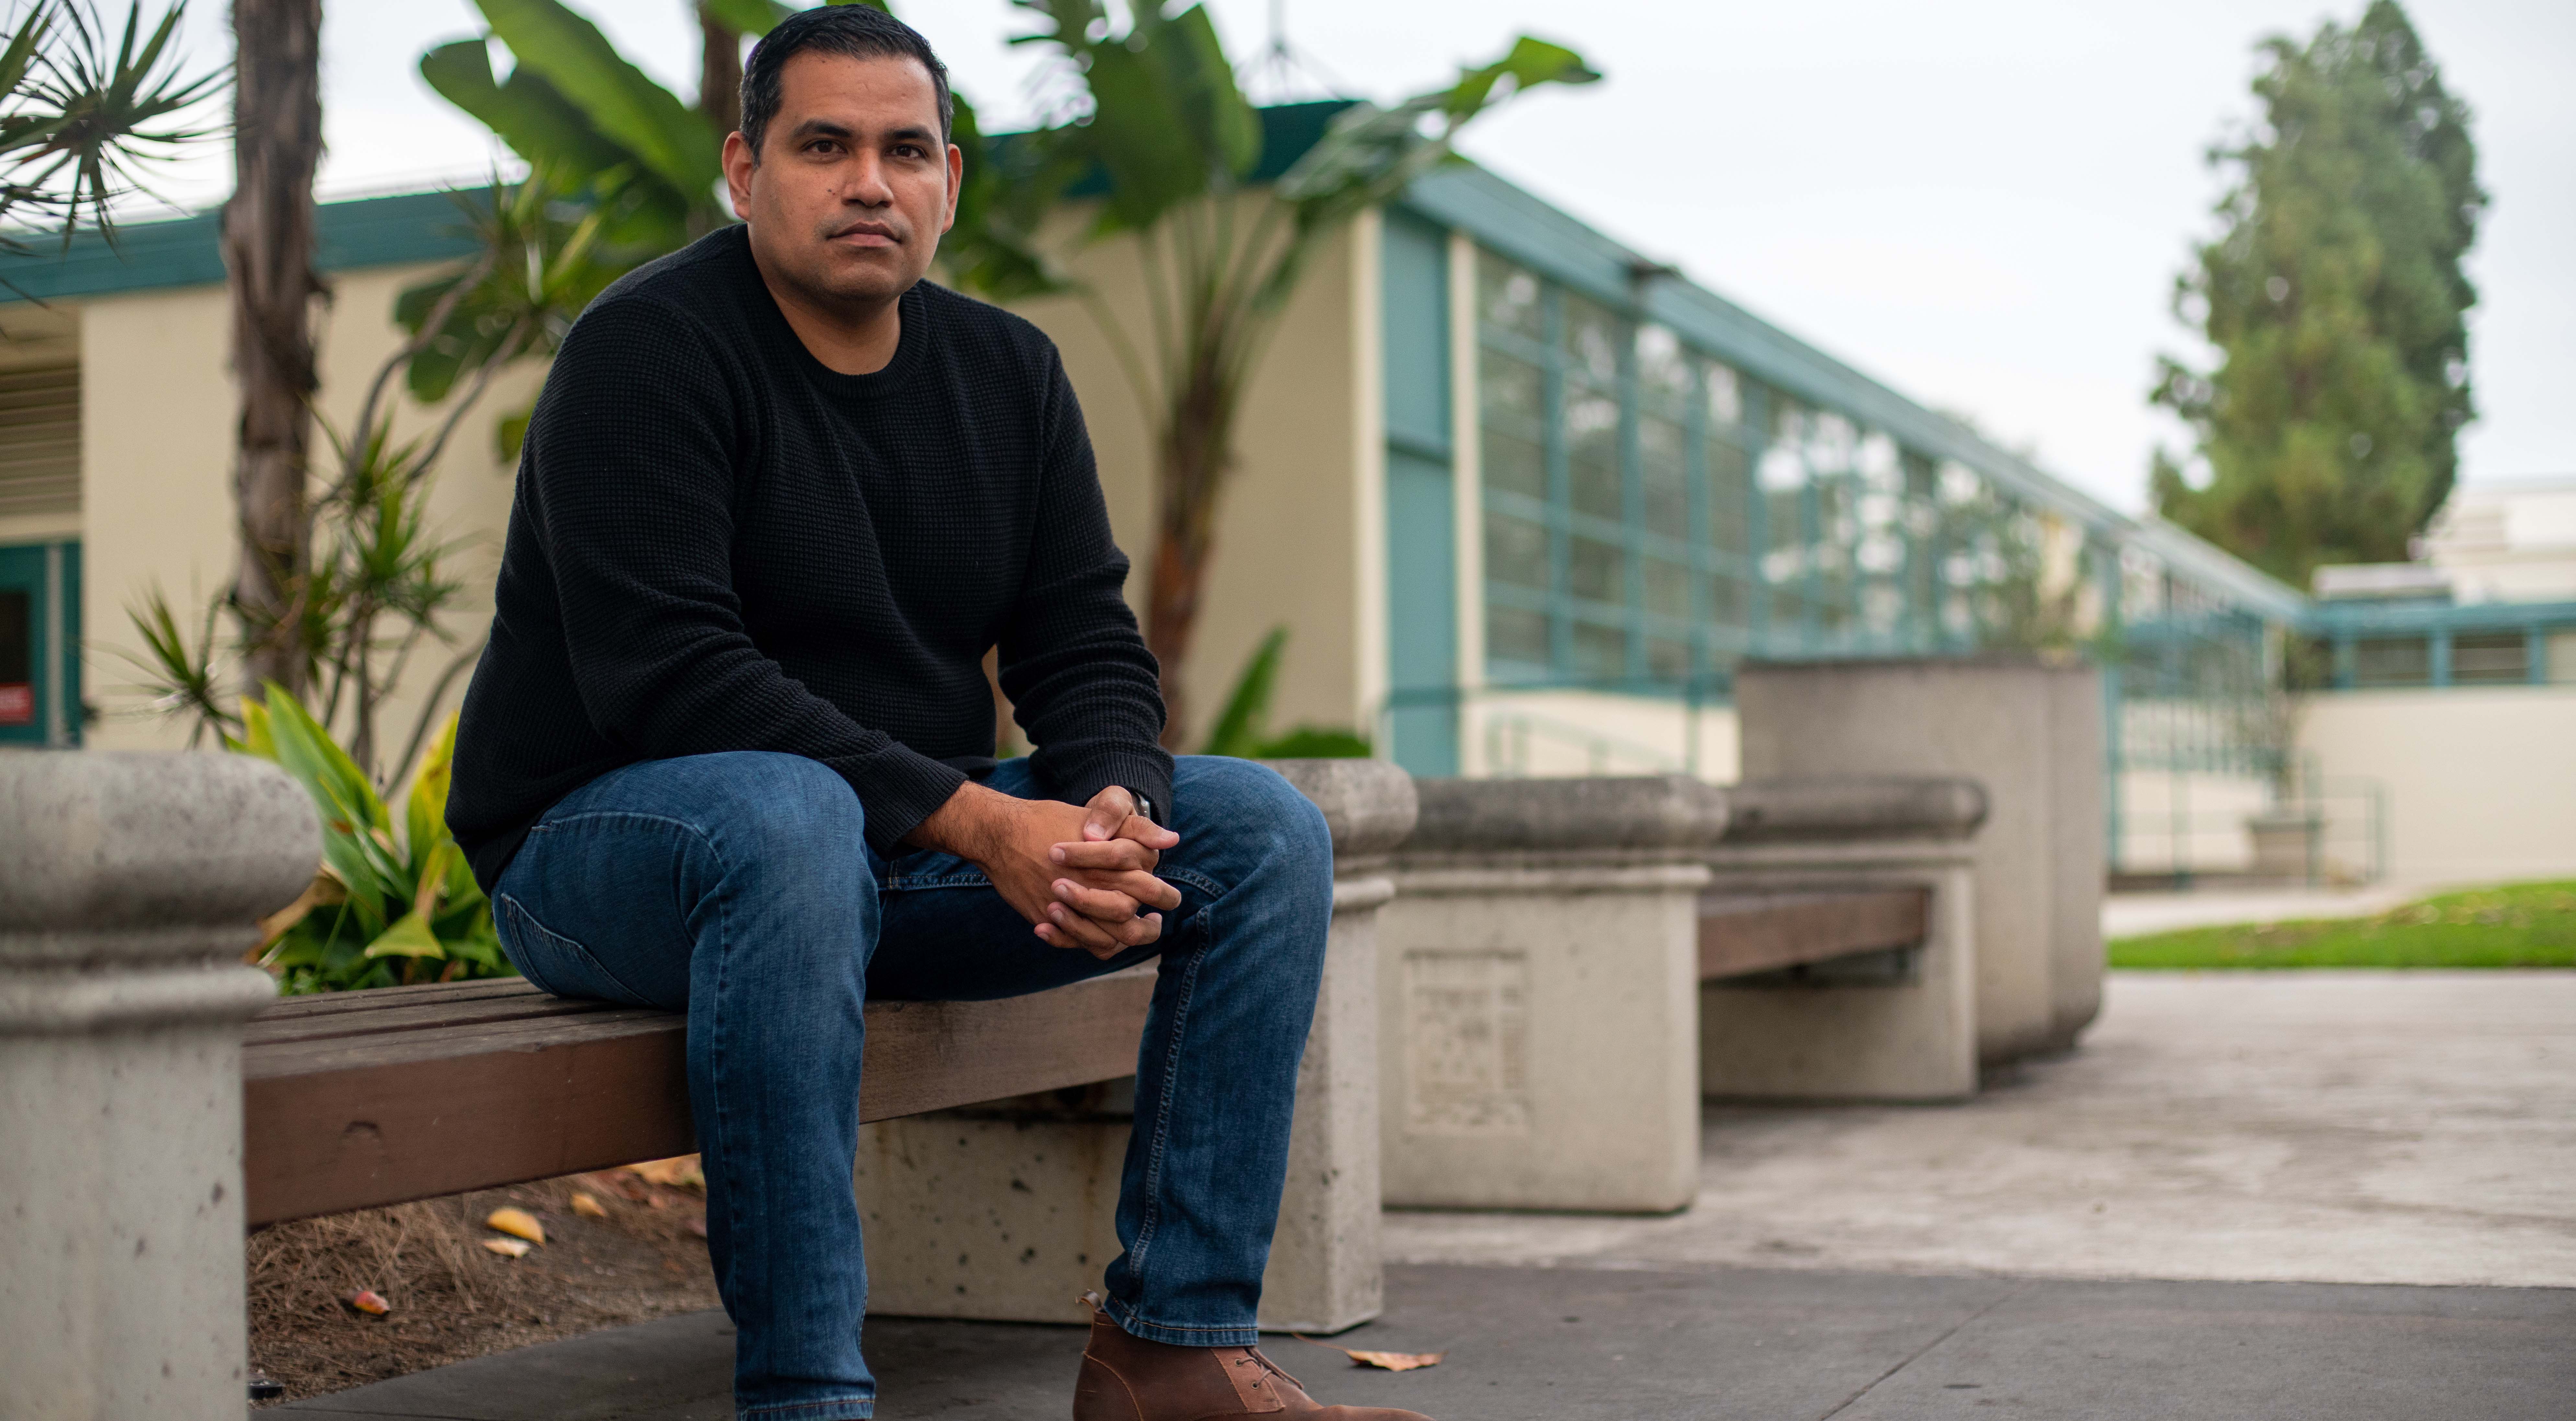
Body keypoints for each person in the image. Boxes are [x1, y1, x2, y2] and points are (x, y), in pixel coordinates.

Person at [443, 8, 1427, 1421]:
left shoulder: (1006, 373)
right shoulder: (645, 352)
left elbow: (1080, 638)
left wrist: (1108, 818)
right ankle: (808, 1395)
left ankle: (1169, 1346)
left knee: (1260, 829)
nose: (868, 182)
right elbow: (673, 676)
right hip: (608, 849)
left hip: (880, 851)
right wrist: (982, 821)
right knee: (788, 813)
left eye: (905, 150)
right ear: (742, 166)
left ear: (948, 180)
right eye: (823, 145)